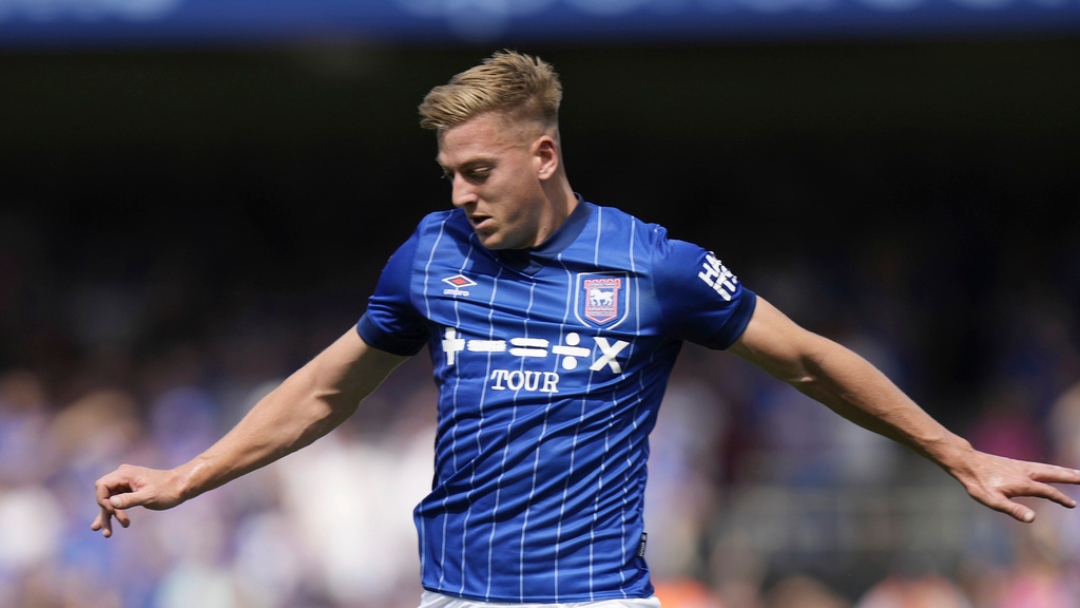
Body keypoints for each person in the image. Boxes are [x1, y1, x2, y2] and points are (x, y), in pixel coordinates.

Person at [92, 50, 1080, 608]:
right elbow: (323, 389)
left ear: (545, 152)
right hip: (457, 597)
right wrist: (186, 477)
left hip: (597, 599)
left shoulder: (656, 266)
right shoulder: (429, 256)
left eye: (478, 170)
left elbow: (814, 363)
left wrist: (955, 452)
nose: (459, 192)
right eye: (447, 173)